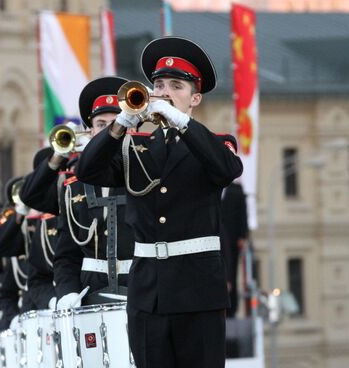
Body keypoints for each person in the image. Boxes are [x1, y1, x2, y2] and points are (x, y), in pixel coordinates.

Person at [76, 37, 243, 368]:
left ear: (195, 98)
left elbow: (227, 170)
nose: (165, 92)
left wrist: (180, 122)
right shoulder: (134, 148)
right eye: (159, 85)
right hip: (148, 293)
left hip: (197, 291)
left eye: (176, 86)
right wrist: (120, 124)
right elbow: (87, 170)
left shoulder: (215, 144)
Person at [53, 76, 135, 310]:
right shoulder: (73, 187)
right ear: (90, 131)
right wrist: (67, 293)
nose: (110, 131)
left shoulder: (147, 176)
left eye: (117, 122)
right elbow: (66, 255)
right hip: (90, 298)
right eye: (101, 124)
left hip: (141, 295)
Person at [220, 177, 249, 318]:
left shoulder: (236, 190)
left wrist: (243, 236)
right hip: (214, 236)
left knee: (231, 272)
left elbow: (243, 214)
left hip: (232, 238)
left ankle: (232, 308)